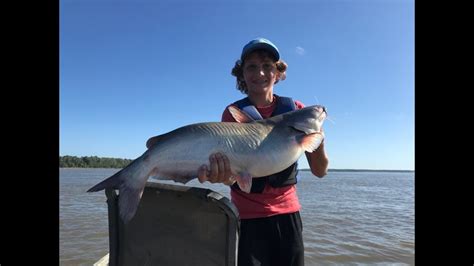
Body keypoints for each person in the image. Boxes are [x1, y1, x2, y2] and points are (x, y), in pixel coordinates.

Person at [197, 38, 329, 266]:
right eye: (252, 66)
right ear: (242, 74)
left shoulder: (296, 110)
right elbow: (232, 175)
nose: (260, 72)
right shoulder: (232, 114)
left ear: (277, 73)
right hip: (248, 217)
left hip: (288, 213)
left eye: (267, 65)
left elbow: (319, 171)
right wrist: (220, 175)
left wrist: (318, 139)